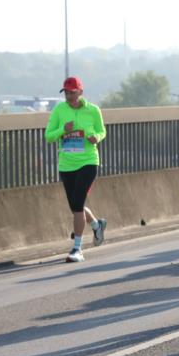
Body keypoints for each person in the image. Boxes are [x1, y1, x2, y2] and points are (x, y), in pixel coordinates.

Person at [45, 77, 108, 262]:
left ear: (80, 92)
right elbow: (48, 136)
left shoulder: (93, 110)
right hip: (67, 164)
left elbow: (102, 131)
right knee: (75, 207)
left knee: (78, 203)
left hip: (88, 161)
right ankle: (96, 225)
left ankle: (77, 249)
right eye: (66, 92)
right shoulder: (59, 110)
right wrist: (63, 130)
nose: (68, 95)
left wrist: (97, 137)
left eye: (72, 92)